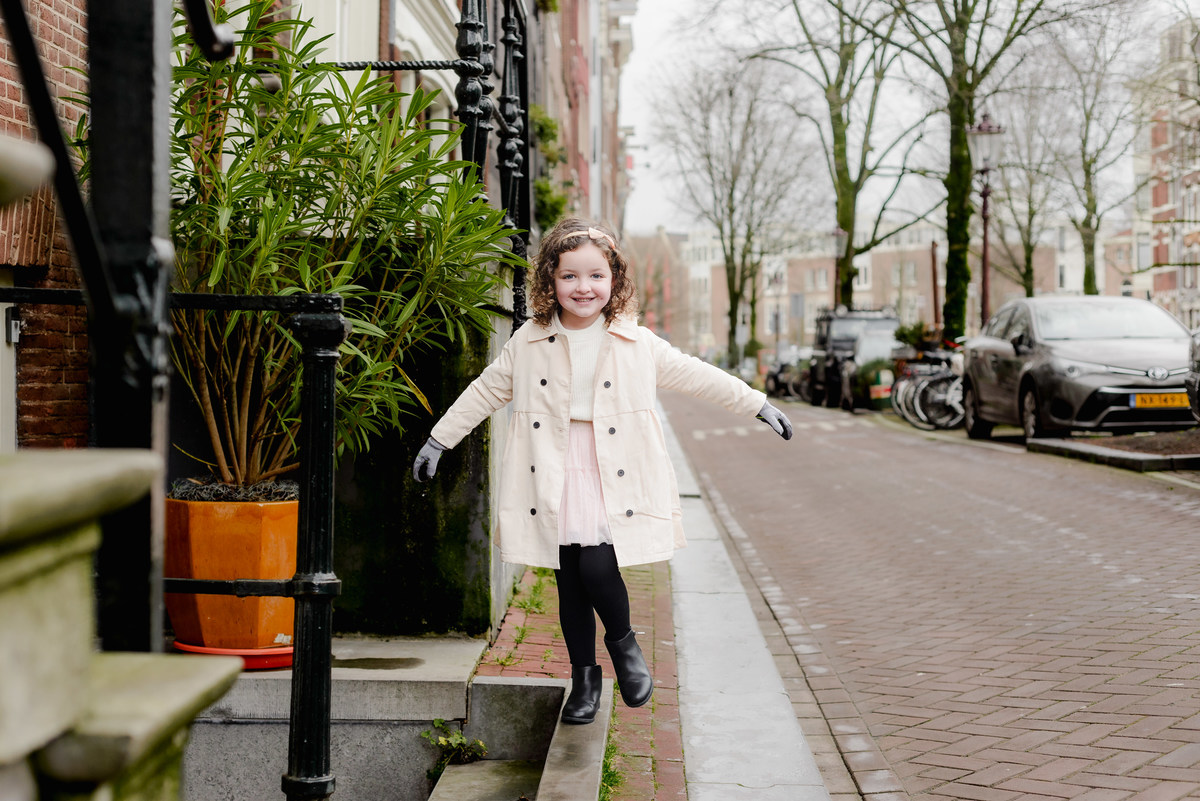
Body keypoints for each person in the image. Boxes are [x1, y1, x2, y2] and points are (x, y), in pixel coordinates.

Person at [412, 217, 793, 725]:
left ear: (614, 279)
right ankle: (584, 680)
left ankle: (625, 646)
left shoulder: (635, 341)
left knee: (595, 566)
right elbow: (486, 389)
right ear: (550, 280)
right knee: (570, 582)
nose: (583, 287)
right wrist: (440, 437)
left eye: (595, 275)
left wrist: (756, 403)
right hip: (551, 467)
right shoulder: (529, 339)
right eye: (569, 276)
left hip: (610, 468)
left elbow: (696, 374)